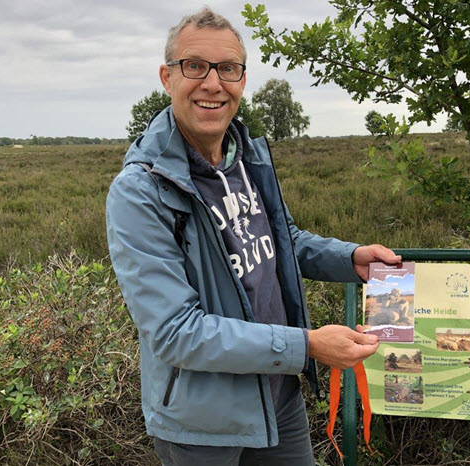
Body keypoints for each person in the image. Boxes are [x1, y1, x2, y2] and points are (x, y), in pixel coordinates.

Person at [106, 7, 401, 465]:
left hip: (278, 399)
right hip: (202, 425)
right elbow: (174, 333)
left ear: (242, 80)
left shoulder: (245, 158)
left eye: (228, 68)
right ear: (167, 77)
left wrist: (351, 258)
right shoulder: (140, 192)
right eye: (194, 66)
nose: (212, 83)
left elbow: (282, 239)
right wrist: (307, 345)